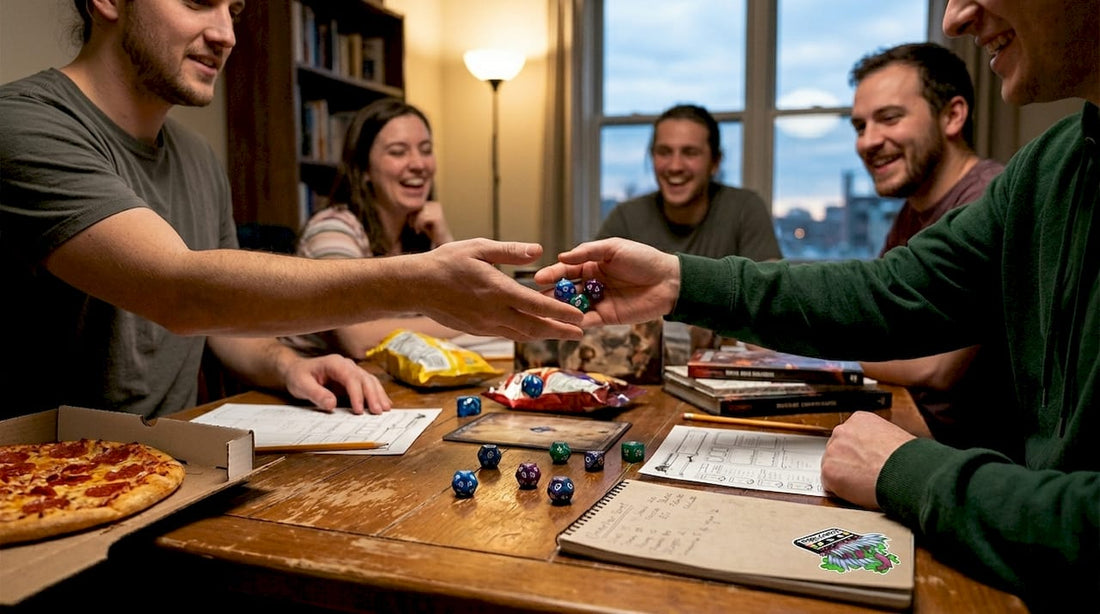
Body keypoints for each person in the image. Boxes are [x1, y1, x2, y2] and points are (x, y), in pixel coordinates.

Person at [534, 0, 1098, 607]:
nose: (955, 16)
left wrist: (908, 470)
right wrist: (679, 282)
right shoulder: (1055, 163)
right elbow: (891, 292)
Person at [0, 0, 582, 421]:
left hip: (173, 461)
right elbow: (179, 292)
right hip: (46, 478)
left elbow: (219, 325)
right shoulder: (25, 125)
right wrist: (420, 283)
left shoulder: (197, 158)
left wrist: (285, 365)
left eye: (235, 9)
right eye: (201, 1)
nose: (227, 33)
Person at [848, 42, 1007, 448]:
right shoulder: (913, 208)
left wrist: (825, 352)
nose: (868, 141)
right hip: (913, 427)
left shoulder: (987, 198)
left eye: (889, 119)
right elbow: (879, 320)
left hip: (969, 460)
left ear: (952, 115)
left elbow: (936, 366)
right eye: (860, 126)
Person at [595, 104, 781, 363]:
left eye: (690, 153)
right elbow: (593, 304)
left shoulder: (745, 208)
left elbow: (772, 308)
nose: (675, 166)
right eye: (664, 152)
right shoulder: (626, 217)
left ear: (715, 161)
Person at [283, 98, 462, 359]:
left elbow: (477, 303)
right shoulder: (333, 229)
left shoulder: (418, 233)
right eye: (398, 152)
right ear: (364, 169)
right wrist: (464, 324)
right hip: (300, 391)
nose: (419, 164)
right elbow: (358, 338)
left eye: (425, 150)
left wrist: (445, 241)